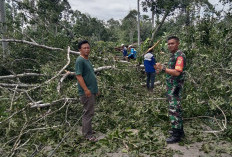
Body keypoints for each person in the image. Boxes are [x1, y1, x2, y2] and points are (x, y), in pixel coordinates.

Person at [156, 36, 186, 144]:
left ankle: (176, 135)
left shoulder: (180, 56)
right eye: (168, 44)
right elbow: (171, 69)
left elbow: (177, 72)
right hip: (171, 87)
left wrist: (163, 68)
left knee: (174, 110)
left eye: (172, 43)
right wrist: (161, 68)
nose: (170, 45)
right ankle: (179, 130)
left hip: (175, 87)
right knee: (175, 108)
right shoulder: (173, 56)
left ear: (178, 43)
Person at [75, 40, 99, 142]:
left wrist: (95, 90)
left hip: (91, 90)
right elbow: (79, 76)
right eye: (84, 48)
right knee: (88, 113)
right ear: (80, 50)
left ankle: (88, 130)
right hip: (86, 92)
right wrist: (86, 90)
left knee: (90, 111)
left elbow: (91, 76)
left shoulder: (87, 60)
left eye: (88, 47)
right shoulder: (80, 61)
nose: (87, 49)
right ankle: (87, 135)